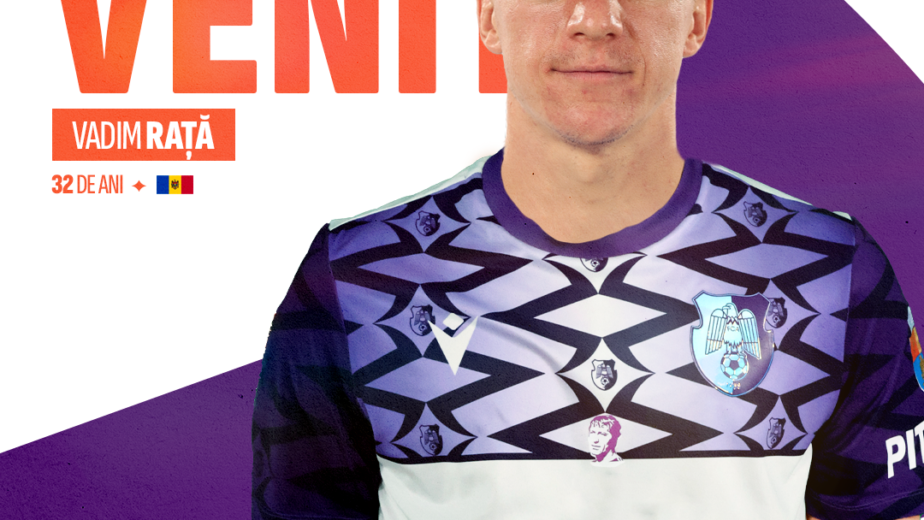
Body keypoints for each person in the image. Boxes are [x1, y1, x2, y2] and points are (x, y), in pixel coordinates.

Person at [251, 1, 924, 518]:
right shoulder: (359, 275)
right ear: (488, 16)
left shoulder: (828, 268)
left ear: (695, 17)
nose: (595, 18)